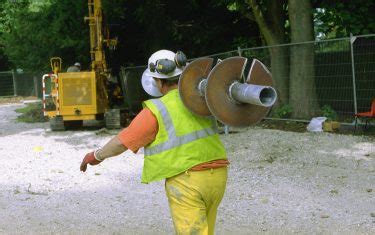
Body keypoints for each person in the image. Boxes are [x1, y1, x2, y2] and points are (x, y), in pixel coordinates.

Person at [80, 49, 229, 235]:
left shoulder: (157, 109)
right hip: (218, 175)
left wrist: (96, 155)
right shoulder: (201, 98)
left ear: (158, 81)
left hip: (188, 180)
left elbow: (122, 141)